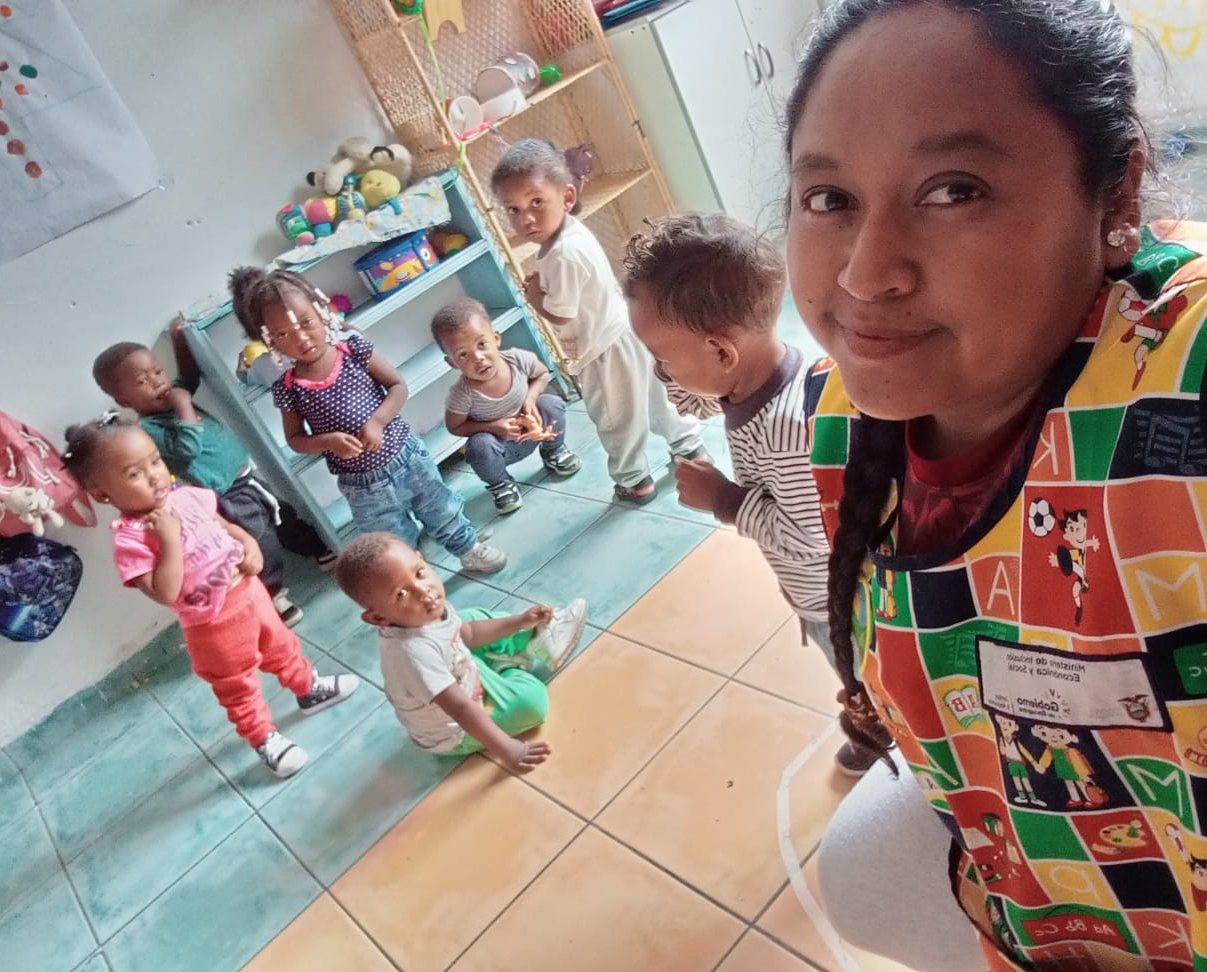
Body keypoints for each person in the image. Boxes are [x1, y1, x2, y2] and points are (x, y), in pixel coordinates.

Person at [785, 1, 1207, 969]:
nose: (866, 275)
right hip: (1031, 902)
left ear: (1116, 195)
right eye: (829, 198)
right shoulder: (845, 416)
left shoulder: (1178, 389)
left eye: (953, 190)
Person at [623, 212, 888, 777]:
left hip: (837, 601)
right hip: (826, 589)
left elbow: (811, 535)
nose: (661, 372)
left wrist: (724, 499)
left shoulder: (787, 431)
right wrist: (682, 382)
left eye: (664, 360)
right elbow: (709, 396)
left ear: (722, 354)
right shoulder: (762, 375)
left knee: (861, 676)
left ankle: (880, 733)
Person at [62, 414, 360, 778]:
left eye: (154, 461)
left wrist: (249, 545)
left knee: (283, 646)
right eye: (134, 473)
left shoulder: (186, 496)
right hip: (213, 626)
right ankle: (263, 738)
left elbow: (226, 526)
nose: (155, 475)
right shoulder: (131, 539)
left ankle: (309, 689)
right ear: (102, 494)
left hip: (251, 594)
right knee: (238, 686)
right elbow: (165, 592)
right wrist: (169, 539)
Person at [227, 266, 508, 575]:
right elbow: (295, 438)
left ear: (322, 313)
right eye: (283, 335)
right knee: (391, 540)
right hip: (362, 487)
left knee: (441, 508)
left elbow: (397, 386)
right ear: (269, 342)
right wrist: (327, 441)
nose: (301, 339)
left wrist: (377, 421)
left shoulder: (352, 348)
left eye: (306, 323)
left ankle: (468, 548)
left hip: (407, 458)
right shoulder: (289, 386)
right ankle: (415, 577)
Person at [491, 138, 709, 504]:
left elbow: (562, 312)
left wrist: (535, 296)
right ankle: (690, 446)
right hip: (625, 330)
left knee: (615, 419)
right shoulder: (571, 231)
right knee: (655, 399)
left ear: (567, 196)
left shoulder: (560, 255)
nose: (525, 218)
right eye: (513, 209)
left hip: (600, 350)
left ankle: (633, 479)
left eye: (536, 202)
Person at [92, 323, 337, 628]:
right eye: (142, 381)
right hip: (225, 492)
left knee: (280, 514)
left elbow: (189, 376)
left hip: (245, 475)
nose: (157, 382)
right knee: (260, 539)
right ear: (124, 401)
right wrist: (183, 404)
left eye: (158, 372)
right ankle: (272, 594)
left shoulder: (174, 394)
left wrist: (180, 341)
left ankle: (316, 548)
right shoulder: (148, 429)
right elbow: (187, 448)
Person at [333, 531, 587, 774]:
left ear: (423, 560)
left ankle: (539, 641)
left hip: (459, 674)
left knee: (471, 617)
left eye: (419, 573)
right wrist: (508, 749)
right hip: (455, 732)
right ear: (378, 617)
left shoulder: (425, 610)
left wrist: (520, 621)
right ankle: (511, 664)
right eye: (402, 594)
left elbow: (470, 633)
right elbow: (460, 709)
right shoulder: (412, 653)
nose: (424, 592)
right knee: (532, 702)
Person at [433, 296, 582, 513]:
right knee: (478, 445)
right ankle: (501, 483)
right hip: (501, 447)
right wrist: (493, 427)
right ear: (452, 363)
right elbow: (454, 426)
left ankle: (554, 451)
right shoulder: (461, 394)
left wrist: (530, 399)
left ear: (496, 338)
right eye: (463, 355)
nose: (478, 358)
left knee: (551, 404)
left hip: (536, 431)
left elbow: (542, 374)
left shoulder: (517, 360)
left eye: (482, 344)